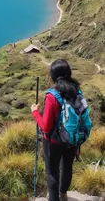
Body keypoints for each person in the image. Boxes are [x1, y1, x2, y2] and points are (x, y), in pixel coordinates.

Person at [31, 59, 87, 201]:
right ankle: (63, 195)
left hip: (54, 142)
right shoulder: (77, 91)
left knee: (52, 173)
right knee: (67, 167)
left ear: (52, 76)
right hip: (72, 138)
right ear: (69, 74)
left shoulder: (52, 96)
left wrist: (35, 112)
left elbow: (45, 127)